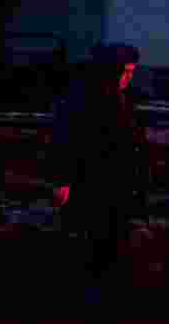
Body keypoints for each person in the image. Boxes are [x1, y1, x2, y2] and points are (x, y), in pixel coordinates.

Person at [49, 42, 150, 291]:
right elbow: (65, 141)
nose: (128, 77)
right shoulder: (81, 99)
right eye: (124, 72)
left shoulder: (122, 98)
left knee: (112, 244)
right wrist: (63, 181)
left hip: (115, 187)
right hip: (89, 184)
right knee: (89, 245)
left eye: (131, 72)